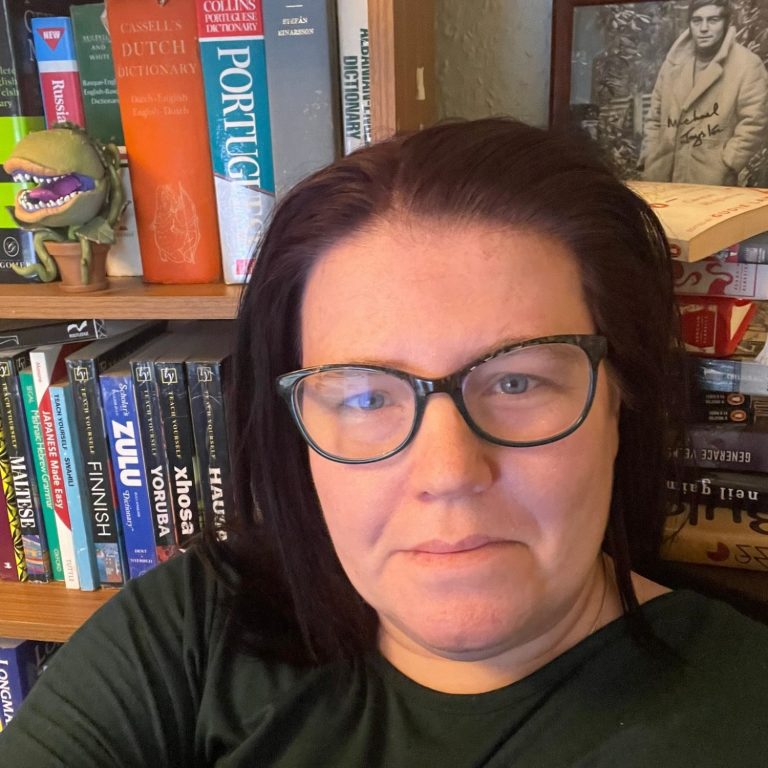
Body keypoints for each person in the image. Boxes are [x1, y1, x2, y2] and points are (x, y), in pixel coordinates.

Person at [1, 118, 768, 767]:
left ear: (621, 399)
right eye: (364, 396)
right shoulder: (196, 626)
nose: (448, 472)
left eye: (517, 383)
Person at [640, 0, 768, 185]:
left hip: (711, 181)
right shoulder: (673, 63)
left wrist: (728, 163)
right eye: (697, 21)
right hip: (661, 177)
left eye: (713, 20)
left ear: (726, 23)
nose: (704, 28)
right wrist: (649, 156)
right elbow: (654, 116)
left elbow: (755, 123)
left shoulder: (747, 65)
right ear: (690, 24)